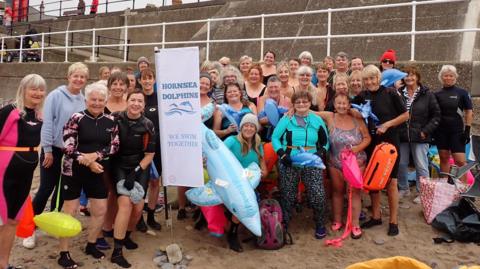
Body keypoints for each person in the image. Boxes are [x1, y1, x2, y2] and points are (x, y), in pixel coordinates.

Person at [24, 63, 88, 249]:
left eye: (82, 77)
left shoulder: (83, 100)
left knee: (63, 189)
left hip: (70, 152)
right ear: (69, 77)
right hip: (52, 148)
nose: (78, 80)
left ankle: (51, 222)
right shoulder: (55, 96)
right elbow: (47, 123)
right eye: (75, 76)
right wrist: (48, 150)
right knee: (46, 188)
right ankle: (29, 229)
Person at [58, 83, 119, 269]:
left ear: (106, 101)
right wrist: (87, 160)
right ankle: (64, 253)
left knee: (100, 209)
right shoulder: (76, 118)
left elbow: (114, 146)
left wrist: (97, 156)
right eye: (93, 99)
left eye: (101, 100)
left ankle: (91, 244)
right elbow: (68, 146)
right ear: (86, 100)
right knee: (70, 211)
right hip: (73, 171)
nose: (97, 103)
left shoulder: (110, 120)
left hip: (97, 172)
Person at [0, 74, 46, 269]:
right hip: (5, 172)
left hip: (25, 174)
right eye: (33, 89)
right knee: (2, 220)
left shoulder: (38, 114)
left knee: (13, 221)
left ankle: (3, 263)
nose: (37, 93)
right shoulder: (10, 111)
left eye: (41, 89)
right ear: (23, 89)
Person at [357, 65, 409, 236]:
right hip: (372, 143)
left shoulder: (390, 93)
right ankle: (376, 216)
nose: (370, 82)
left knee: (391, 182)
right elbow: (348, 108)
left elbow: (405, 115)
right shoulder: (363, 96)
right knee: (373, 180)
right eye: (366, 79)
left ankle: (393, 221)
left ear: (379, 78)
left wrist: (387, 125)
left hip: (390, 143)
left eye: (372, 78)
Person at [271, 91, 329, 239]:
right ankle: (284, 223)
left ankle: (320, 222)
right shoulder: (286, 119)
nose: (301, 105)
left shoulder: (317, 120)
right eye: (298, 102)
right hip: (290, 159)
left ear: (310, 103)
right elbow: (275, 138)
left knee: (317, 193)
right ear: (294, 104)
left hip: (311, 159)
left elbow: (325, 141)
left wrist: (321, 152)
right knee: (288, 193)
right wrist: (282, 155)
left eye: (305, 102)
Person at [110, 90, 155, 268]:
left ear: (144, 105)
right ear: (127, 101)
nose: (136, 104)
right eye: (133, 100)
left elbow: (149, 155)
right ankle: (117, 251)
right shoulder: (115, 118)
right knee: (125, 204)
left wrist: (135, 172)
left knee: (138, 207)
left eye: (140, 101)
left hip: (140, 165)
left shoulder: (148, 124)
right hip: (119, 165)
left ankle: (127, 235)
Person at [316, 93, 370, 239]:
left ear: (349, 104)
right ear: (334, 105)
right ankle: (337, 220)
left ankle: (355, 223)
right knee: (337, 192)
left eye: (344, 103)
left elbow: (367, 138)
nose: (341, 106)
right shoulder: (329, 117)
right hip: (335, 162)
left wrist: (356, 149)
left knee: (355, 194)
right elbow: (308, 111)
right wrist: (291, 110)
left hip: (356, 163)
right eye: (338, 103)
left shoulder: (357, 118)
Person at [224, 113, 267, 251]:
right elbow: (219, 156)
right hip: (230, 181)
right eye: (246, 125)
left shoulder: (257, 144)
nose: (249, 128)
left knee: (248, 202)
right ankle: (232, 234)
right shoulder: (231, 141)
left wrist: (263, 171)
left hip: (248, 182)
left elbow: (262, 163)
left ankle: (235, 227)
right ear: (241, 127)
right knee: (242, 203)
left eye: (252, 126)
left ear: (256, 129)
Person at [397, 66, 440, 201]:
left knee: (421, 165)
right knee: (401, 164)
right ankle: (403, 188)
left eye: (412, 75)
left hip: (421, 136)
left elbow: (436, 115)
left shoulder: (427, 94)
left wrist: (425, 131)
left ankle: (423, 192)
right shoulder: (398, 93)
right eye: (406, 75)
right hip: (402, 136)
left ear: (417, 77)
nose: (409, 78)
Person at [97, 72, 129, 250]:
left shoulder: (129, 104)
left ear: (127, 87)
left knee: (116, 194)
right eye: (114, 84)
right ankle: (100, 231)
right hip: (104, 154)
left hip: (123, 155)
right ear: (109, 86)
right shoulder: (102, 104)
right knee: (102, 194)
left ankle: (108, 226)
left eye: (121, 84)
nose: (118, 87)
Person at [434, 65, 473, 182]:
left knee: (460, 161)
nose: (448, 78)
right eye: (446, 75)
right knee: (444, 158)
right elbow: (434, 113)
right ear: (441, 77)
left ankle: (463, 188)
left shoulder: (462, 93)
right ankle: (444, 186)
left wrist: (467, 130)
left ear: (455, 77)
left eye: (451, 75)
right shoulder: (437, 94)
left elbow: (469, 112)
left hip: (456, 131)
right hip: (441, 131)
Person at [136, 68, 163, 230]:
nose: (147, 81)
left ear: (154, 80)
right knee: (141, 182)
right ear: (140, 81)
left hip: (158, 146)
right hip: (140, 147)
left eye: (150, 78)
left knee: (155, 181)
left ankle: (151, 215)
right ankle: (138, 217)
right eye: (144, 79)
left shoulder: (160, 97)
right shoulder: (137, 98)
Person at [257, 76, 292, 141]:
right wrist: (278, 115)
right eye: (271, 87)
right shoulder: (262, 99)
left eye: (276, 87)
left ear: (280, 87)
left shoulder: (287, 100)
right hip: (266, 134)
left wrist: (269, 116)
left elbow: (290, 119)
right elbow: (261, 120)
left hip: (283, 134)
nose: (273, 89)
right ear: (267, 88)